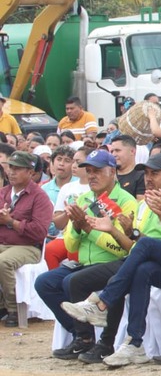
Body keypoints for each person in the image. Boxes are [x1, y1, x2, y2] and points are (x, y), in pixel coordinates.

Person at [58, 153, 161, 366]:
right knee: (71, 281)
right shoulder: (143, 203)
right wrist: (115, 231)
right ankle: (97, 340)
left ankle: (103, 319)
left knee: (121, 275)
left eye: (155, 173)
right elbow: (134, 244)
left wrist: (99, 230)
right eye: (146, 174)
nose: (148, 178)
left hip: (159, 261)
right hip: (138, 259)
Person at [34, 149, 138, 358]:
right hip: (84, 263)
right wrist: (77, 227)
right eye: (88, 171)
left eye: (97, 171)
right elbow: (71, 246)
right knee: (45, 282)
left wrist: (89, 230)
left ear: (112, 172)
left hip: (113, 262)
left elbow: (122, 247)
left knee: (73, 281)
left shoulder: (125, 201)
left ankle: (93, 340)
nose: (91, 176)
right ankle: (81, 335)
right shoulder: (83, 199)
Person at [0, 151, 53, 326]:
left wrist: (11, 222)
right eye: (10, 167)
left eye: (17, 169)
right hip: (3, 243)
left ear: (30, 172)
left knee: (3, 262)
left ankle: (13, 309)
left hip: (28, 247)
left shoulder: (40, 197)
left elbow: (39, 232)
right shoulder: (3, 193)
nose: (11, 172)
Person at [46, 147, 89, 270]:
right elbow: (58, 224)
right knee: (50, 250)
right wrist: (67, 213)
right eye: (73, 161)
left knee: (74, 250)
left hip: (87, 235)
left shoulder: (95, 187)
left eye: (78, 162)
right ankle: (55, 280)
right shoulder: (67, 188)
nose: (74, 166)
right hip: (66, 235)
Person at [109, 135, 145, 200]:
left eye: (117, 150)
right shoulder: (108, 174)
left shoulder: (142, 176)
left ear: (132, 151)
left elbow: (140, 203)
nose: (113, 154)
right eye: (112, 151)